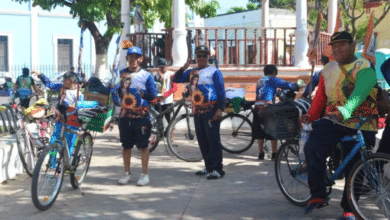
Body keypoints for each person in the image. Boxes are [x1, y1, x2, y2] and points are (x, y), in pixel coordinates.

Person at [300, 31, 378, 220]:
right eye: (334, 46)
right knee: (313, 148)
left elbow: (361, 91)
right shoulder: (328, 69)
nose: (337, 49)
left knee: (356, 167)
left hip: (362, 122)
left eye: (342, 45)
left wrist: (347, 109)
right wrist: (311, 115)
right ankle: (318, 194)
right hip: (333, 120)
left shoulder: (365, 66)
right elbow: (321, 97)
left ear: (353, 46)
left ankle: (349, 209)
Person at [173, 45, 226, 180]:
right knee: (202, 140)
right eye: (198, 56)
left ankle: (218, 169)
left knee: (213, 139)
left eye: (204, 55)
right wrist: (183, 68)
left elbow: (220, 91)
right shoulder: (192, 72)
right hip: (197, 111)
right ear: (195, 57)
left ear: (209, 57)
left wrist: (220, 109)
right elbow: (176, 79)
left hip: (211, 110)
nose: (201, 58)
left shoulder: (214, 72)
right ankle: (208, 167)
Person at [111, 46, 157, 186]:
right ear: (127, 58)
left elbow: (153, 95)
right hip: (125, 116)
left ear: (141, 59)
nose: (134, 60)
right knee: (126, 146)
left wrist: (142, 94)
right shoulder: (121, 74)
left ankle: (144, 174)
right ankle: (126, 173)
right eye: (131, 56)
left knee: (143, 146)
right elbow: (114, 92)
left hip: (141, 116)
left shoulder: (146, 75)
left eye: (137, 57)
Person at [32, 70, 85, 161]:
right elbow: (49, 84)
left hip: (72, 122)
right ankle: (52, 163)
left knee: (69, 145)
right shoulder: (61, 87)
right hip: (60, 120)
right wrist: (40, 75)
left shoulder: (79, 94)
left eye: (64, 80)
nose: (63, 81)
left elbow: (80, 110)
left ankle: (67, 164)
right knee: (53, 141)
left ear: (71, 82)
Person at [253, 64, 300, 160]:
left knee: (259, 132)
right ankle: (274, 153)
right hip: (267, 107)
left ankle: (260, 153)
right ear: (274, 72)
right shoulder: (272, 79)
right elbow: (286, 85)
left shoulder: (260, 80)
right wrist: (297, 86)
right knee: (272, 129)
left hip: (257, 107)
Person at [155, 57, 178, 126]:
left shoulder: (171, 74)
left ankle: (169, 133)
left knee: (170, 120)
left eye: (163, 67)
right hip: (159, 101)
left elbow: (174, 88)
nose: (161, 68)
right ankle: (160, 134)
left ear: (166, 66)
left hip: (168, 101)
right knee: (159, 120)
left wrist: (165, 94)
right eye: (160, 67)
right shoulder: (156, 75)